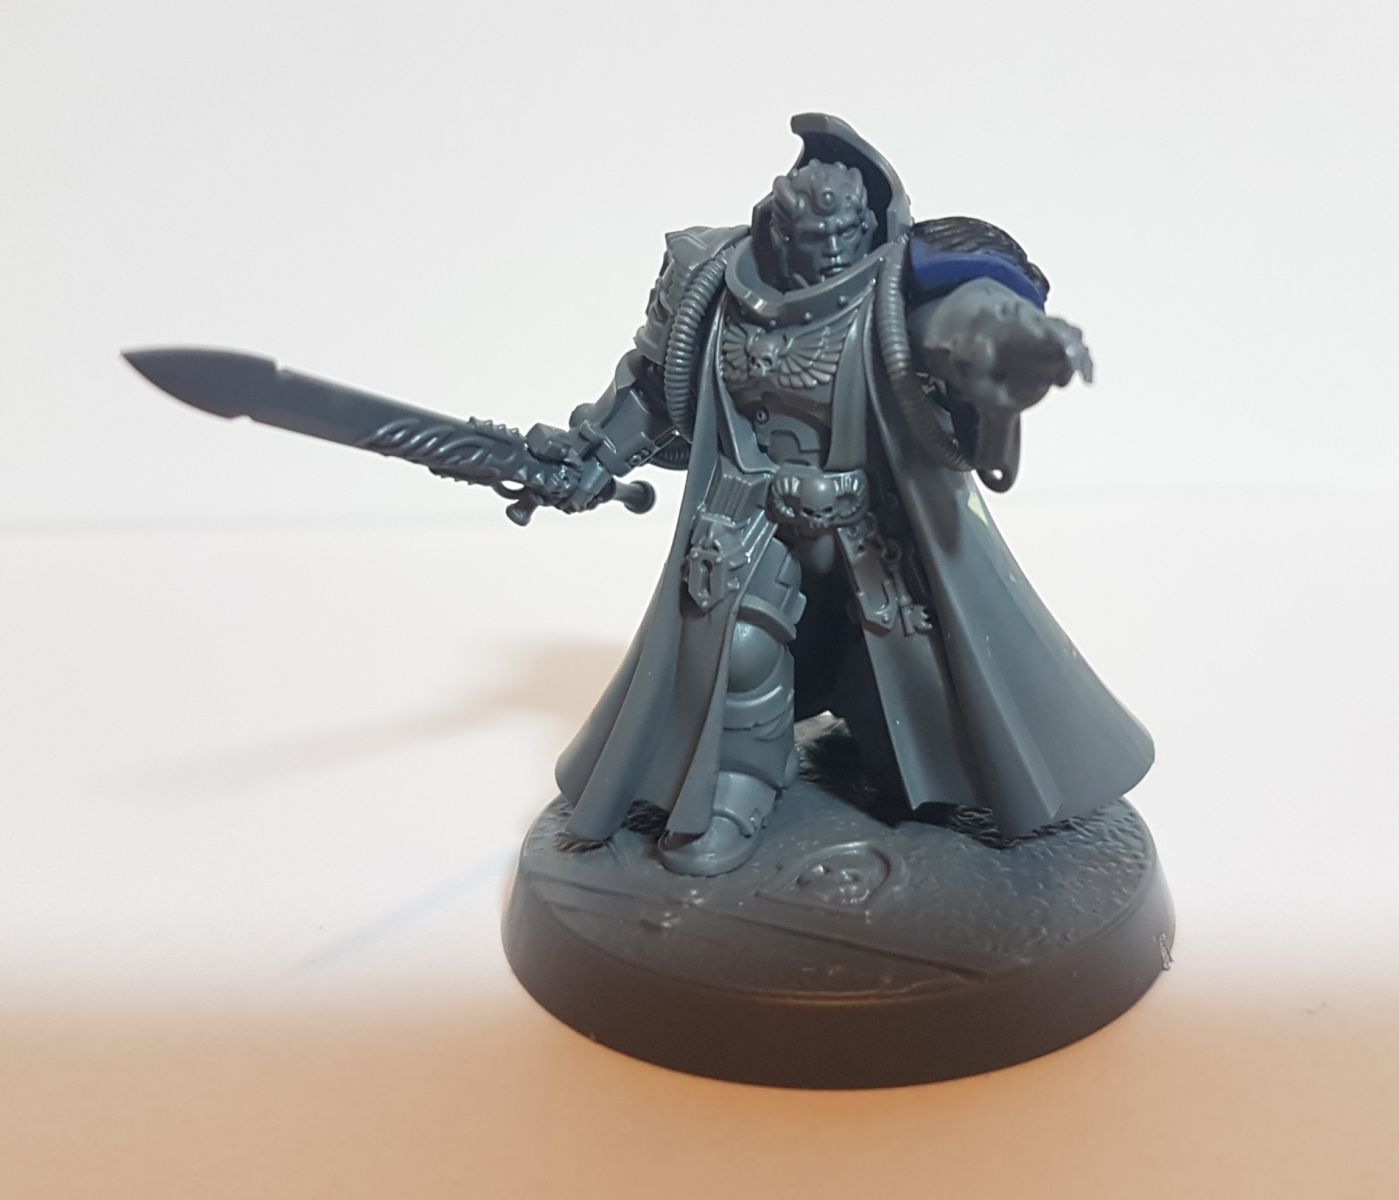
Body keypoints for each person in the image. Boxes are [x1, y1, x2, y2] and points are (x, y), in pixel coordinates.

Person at [537, 113, 1153, 875]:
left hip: (869, 520)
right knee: (737, 648)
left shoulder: (891, 291)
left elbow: (956, 325)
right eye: (807, 235)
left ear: (867, 227)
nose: (825, 252)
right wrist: (593, 451)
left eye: (841, 235)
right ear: (775, 223)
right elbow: (652, 382)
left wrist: (1009, 343)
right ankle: (735, 790)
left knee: (906, 659)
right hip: (747, 509)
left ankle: (917, 768)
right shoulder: (710, 282)